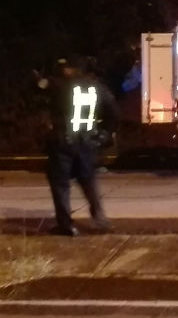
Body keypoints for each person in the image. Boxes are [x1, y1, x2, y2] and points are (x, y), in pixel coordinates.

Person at [36, 55, 119, 236]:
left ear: (71, 69)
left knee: (60, 184)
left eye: (64, 67)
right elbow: (113, 111)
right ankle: (100, 219)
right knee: (88, 180)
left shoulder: (59, 86)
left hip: (63, 141)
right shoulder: (97, 88)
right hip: (88, 141)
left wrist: (40, 81)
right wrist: (103, 134)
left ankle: (65, 224)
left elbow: (39, 90)